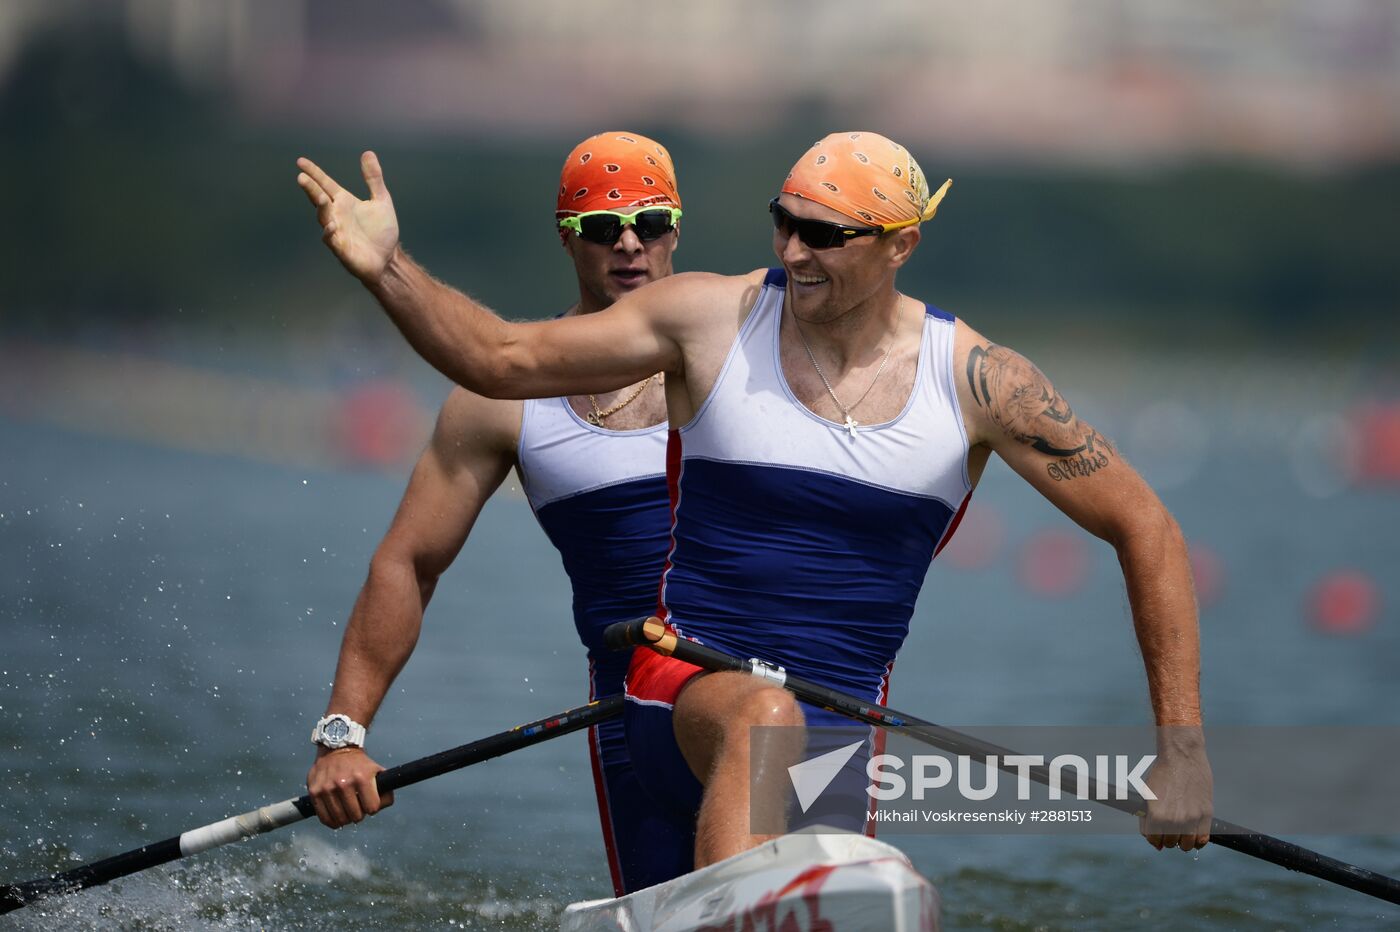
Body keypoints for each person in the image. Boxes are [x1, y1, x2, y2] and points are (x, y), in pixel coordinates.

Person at [296, 131, 1213, 871]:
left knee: (790, 752)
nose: (791, 252)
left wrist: (1180, 751)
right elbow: (499, 359)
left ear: (902, 244)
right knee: (766, 720)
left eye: (823, 236)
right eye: (783, 224)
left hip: (843, 729)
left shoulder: (982, 383)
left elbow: (1148, 529)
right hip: (671, 695)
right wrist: (387, 269)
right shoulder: (710, 318)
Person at [303, 131, 696, 895]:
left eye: (649, 224)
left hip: (775, 677)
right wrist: (342, 736)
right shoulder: (500, 405)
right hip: (630, 706)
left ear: (676, 228)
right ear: (565, 236)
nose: (628, 245)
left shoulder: (744, 349)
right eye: (599, 227)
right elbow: (409, 564)